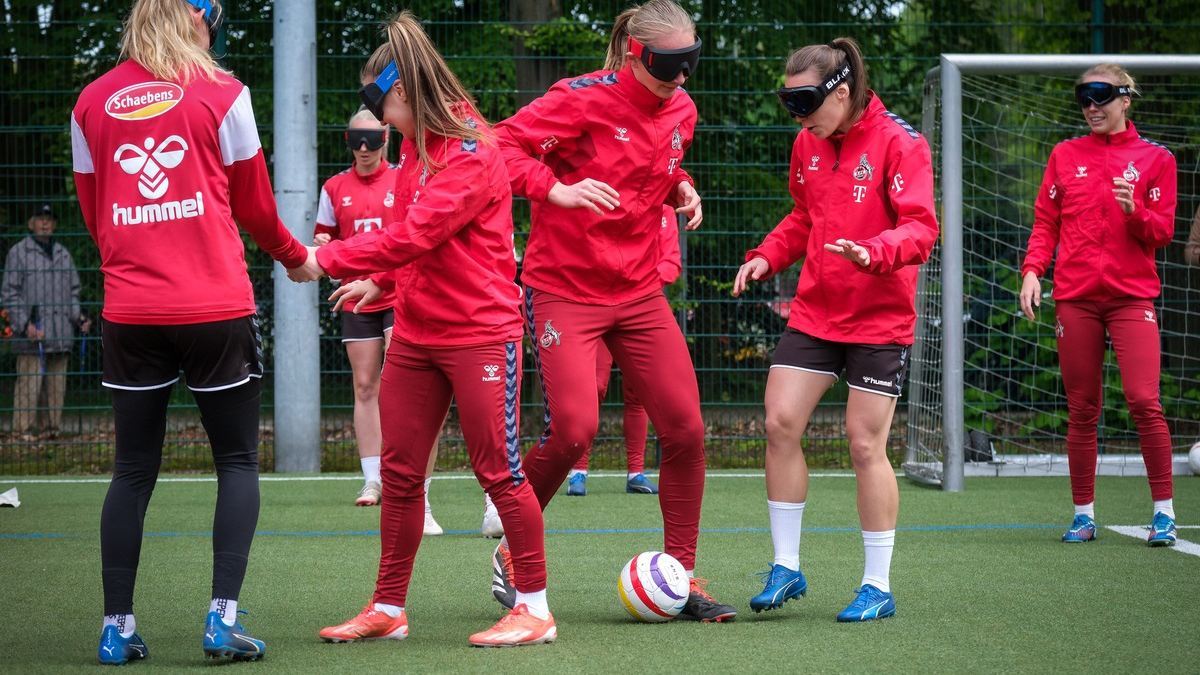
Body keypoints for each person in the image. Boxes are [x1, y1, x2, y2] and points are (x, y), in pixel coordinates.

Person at [71, 0, 315, 664]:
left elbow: (96, 213)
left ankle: (116, 628)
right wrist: (294, 256)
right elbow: (255, 204)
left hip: (131, 311)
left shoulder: (90, 103)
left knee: (131, 470)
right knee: (236, 461)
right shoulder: (224, 93)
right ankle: (220, 620)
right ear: (199, 19)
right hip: (214, 306)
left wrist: (137, 259)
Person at [303, 12, 556, 647]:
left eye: (379, 105)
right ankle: (388, 607)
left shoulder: (470, 151)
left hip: (479, 332)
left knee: (500, 472)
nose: (378, 123)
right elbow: (423, 244)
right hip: (417, 335)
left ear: (405, 91)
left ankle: (534, 608)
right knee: (400, 473)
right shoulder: (417, 146)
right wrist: (384, 284)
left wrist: (326, 260)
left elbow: (418, 234)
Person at [491, 0, 736, 622]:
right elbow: (497, 148)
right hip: (565, 289)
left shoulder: (682, 108)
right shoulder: (579, 99)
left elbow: (653, 166)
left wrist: (679, 184)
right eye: (668, 63)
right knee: (574, 430)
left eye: (691, 61)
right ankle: (513, 550)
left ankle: (682, 574)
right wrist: (554, 188)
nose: (682, 76)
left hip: (639, 291)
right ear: (634, 53)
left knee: (686, 429)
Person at [732, 37, 938, 622]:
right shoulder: (808, 141)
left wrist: (874, 252)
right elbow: (803, 217)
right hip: (816, 312)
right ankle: (786, 567)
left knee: (864, 444)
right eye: (789, 102)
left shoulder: (901, 142)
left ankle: (877, 585)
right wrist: (767, 256)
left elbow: (922, 228)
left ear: (842, 92)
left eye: (804, 103)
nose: (796, 116)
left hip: (879, 318)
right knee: (780, 422)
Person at [1020, 63, 1179, 547]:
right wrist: (1032, 271)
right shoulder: (1065, 155)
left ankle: (1164, 514)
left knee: (1144, 400)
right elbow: (1046, 222)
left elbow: (1163, 231)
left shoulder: (1157, 159)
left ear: (1126, 99)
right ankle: (1083, 516)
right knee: (1082, 408)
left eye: (1101, 96)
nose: (1091, 106)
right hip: (1076, 300)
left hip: (1132, 299)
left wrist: (1135, 213)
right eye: (1083, 98)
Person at [313, 108, 443, 536]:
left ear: (387, 137)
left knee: (405, 386)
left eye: (373, 139)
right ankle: (373, 478)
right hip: (357, 295)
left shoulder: (403, 177)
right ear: (347, 141)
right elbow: (325, 236)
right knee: (365, 385)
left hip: (400, 291)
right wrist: (322, 244)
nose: (365, 148)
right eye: (356, 140)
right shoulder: (334, 187)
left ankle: (413, 487)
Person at [566, 206, 680, 497]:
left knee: (639, 392)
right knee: (593, 387)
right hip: (598, 304)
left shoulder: (664, 208)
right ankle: (578, 471)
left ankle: (636, 473)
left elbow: (670, 261)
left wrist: (639, 286)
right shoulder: (603, 197)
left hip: (641, 308)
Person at [2, 204, 91, 437]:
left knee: (56, 385)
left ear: (55, 224)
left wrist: (79, 317)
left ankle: (50, 430)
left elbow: (73, 293)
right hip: (31, 335)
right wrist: (25, 326)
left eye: (49, 219)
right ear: (30, 223)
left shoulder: (63, 253)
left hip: (60, 333)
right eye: (40, 218)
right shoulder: (18, 252)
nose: (45, 223)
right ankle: (22, 432)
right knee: (29, 385)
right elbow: (9, 294)